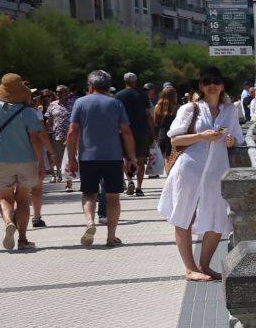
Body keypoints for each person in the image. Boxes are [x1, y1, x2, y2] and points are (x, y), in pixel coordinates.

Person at [156, 68, 241, 281]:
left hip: (216, 170)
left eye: (216, 81)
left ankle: (205, 265)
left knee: (218, 216)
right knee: (183, 215)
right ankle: (189, 268)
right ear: (201, 87)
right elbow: (175, 140)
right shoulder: (190, 109)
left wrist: (231, 141)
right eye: (206, 82)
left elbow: (238, 137)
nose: (211, 85)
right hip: (189, 168)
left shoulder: (230, 110)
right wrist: (201, 136)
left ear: (222, 86)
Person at [0, 73, 46, 251]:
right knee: (22, 199)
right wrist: (41, 163)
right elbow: (36, 140)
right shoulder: (28, 112)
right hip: (26, 160)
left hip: (0, 159)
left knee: (5, 198)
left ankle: (8, 223)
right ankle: (22, 238)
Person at [65, 70, 136, 248]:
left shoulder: (80, 103)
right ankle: (111, 237)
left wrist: (71, 158)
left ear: (90, 85)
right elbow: (126, 131)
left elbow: (72, 131)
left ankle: (90, 223)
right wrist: (132, 157)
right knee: (113, 198)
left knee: (89, 193)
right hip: (113, 156)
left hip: (88, 156)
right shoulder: (116, 104)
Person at [117, 72, 155, 195]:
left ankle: (129, 181)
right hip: (141, 130)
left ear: (124, 81)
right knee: (140, 159)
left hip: (124, 130)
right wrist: (153, 132)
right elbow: (148, 114)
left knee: (126, 158)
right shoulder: (142, 95)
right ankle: (139, 187)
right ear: (135, 81)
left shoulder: (118, 95)